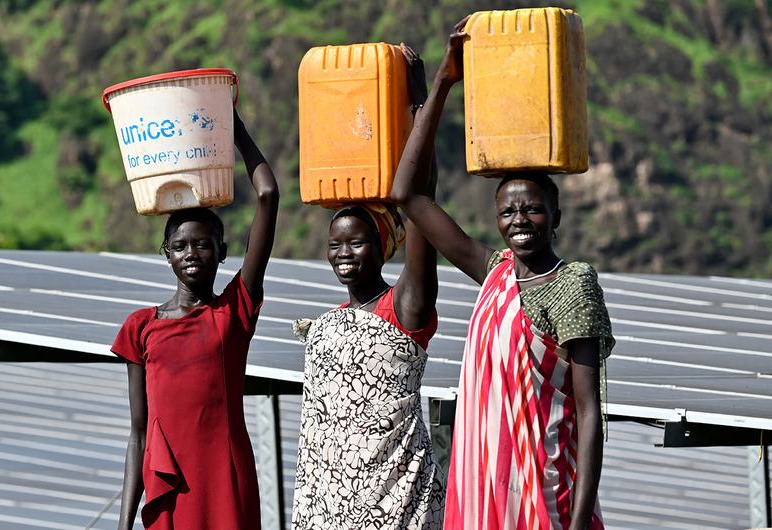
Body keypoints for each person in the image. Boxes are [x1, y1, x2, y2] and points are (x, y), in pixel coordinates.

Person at [389, 17, 614, 530]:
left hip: (547, 496)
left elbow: (589, 412)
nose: (520, 221)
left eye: (533, 209)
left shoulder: (573, 283)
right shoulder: (493, 272)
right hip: (484, 492)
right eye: (508, 212)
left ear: (555, 216)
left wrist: (578, 523)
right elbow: (409, 195)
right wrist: (443, 83)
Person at [290, 44, 445, 530]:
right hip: (325, 509)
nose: (343, 254)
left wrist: (420, 103)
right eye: (335, 245)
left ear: (385, 247)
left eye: (356, 243)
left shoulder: (405, 307)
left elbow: (423, 203)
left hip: (397, 506)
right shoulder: (328, 324)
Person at [111, 109, 279, 530]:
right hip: (168, 484)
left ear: (222, 252)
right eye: (181, 245)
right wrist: (123, 522)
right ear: (166, 254)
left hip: (225, 476)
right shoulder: (140, 328)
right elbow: (139, 431)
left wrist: (235, 129)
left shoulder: (233, 311)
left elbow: (268, 196)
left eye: (203, 245)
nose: (191, 254)